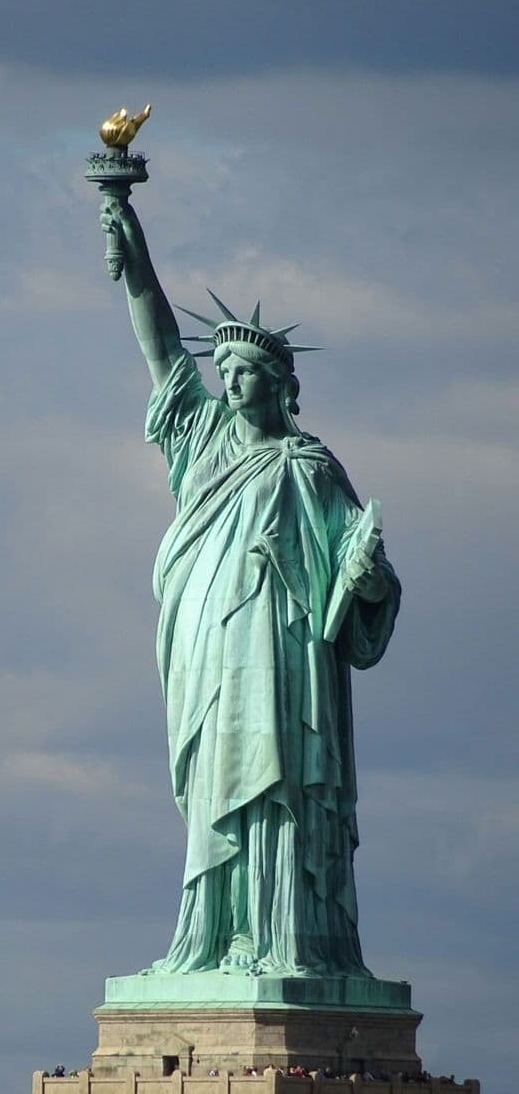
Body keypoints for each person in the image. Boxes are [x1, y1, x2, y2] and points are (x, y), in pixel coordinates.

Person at [99, 199, 400, 977]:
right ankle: (210, 938)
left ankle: (285, 941)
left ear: (279, 384)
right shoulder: (200, 436)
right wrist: (133, 250)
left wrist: (366, 580)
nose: (228, 383)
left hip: (286, 655)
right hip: (210, 645)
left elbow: (359, 571)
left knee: (282, 786)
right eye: (223, 371)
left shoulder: (311, 467)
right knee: (216, 784)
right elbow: (161, 345)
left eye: (244, 373)